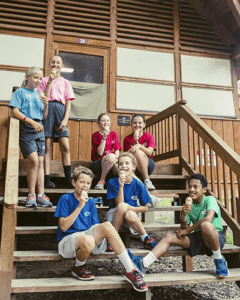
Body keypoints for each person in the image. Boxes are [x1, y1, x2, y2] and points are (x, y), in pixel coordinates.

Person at [54, 166, 148, 292]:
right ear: (73, 182)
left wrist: (104, 234)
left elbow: (95, 227)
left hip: (87, 238)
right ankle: (78, 267)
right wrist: (80, 206)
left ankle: (130, 270)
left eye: (88, 183)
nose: (85, 186)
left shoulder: (91, 202)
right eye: (81, 182)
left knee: (107, 226)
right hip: (68, 241)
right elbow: (64, 227)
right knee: (88, 240)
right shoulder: (65, 199)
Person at [127, 173, 229, 279]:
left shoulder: (210, 199)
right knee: (169, 236)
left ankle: (219, 260)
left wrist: (187, 231)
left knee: (205, 225)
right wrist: (184, 215)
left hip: (215, 237)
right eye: (189, 187)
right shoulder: (190, 205)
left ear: (204, 190)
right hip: (198, 239)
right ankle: (143, 264)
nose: (192, 189)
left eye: (195, 187)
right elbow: (183, 229)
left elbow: (208, 219)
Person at [9, 67, 52, 208]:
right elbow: (15, 112)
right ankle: (31, 194)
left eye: (40, 78)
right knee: (33, 160)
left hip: (39, 128)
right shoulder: (20, 92)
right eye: (35, 77)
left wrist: (46, 105)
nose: (38, 81)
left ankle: (40, 195)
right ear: (27, 76)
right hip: (27, 128)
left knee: (40, 161)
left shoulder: (39, 94)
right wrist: (31, 121)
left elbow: (43, 116)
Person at [106, 152, 157, 250]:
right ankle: (112, 237)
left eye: (127, 163)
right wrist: (121, 185)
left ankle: (145, 238)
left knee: (129, 213)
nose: (123, 166)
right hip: (114, 213)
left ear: (133, 167)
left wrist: (129, 207)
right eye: (120, 164)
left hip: (131, 215)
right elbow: (119, 204)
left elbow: (145, 208)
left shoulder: (138, 184)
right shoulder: (112, 182)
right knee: (121, 207)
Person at [37, 55, 75, 188]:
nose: (55, 64)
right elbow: (43, 97)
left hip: (60, 110)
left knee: (65, 146)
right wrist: (49, 82)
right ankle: (47, 179)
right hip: (47, 110)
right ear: (49, 64)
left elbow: (68, 103)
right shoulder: (44, 80)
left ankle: (68, 180)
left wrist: (65, 119)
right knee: (47, 146)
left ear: (62, 66)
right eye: (53, 62)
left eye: (58, 62)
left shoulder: (66, 82)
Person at [123, 114, 156, 191]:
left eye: (140, 123)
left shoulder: (149, 136)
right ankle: (141, 186)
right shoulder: (127, 139)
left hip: (147, 165)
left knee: (138, 152)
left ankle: (147, 180)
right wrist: (135, 142)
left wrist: (139, 146)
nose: (137, 125)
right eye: (135, 123)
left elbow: (149, 153)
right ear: (131, 125)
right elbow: (127, 156)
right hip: (133, 166)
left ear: (144, 125)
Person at [90, 113, 121, 190]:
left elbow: (117, 151)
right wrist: (104, 137)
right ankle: (101, 181)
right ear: (99, 123)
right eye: (103, 120)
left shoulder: (114, 134)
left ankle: (124, 187)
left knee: (119, 167)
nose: (106, 122)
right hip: (98, 164)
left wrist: (115, 161)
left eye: (107, 120)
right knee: (111, 156)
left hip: (112, 162)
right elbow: (100, 153)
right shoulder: (95, 135)